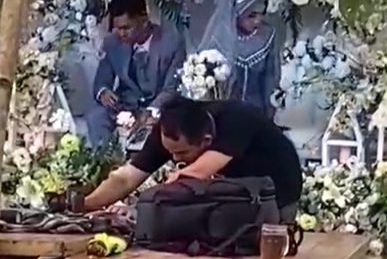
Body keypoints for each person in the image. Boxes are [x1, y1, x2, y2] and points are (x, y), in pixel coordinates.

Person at [83, 94, 302, 222]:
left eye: (183, 153)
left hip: (279, 192)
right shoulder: (170, 130)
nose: (175, 158)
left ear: (206, 141)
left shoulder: (237, 119)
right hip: (232, 193)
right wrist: (84, 206)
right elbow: (126, 178)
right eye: (170, 153)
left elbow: (195, 174)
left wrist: (141, 208)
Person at [86, 0, 186, 149]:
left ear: (144, 20)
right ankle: (104, 162)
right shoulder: (112, 42)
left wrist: (152, 110)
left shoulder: (172, 43)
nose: (121, 34)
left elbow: (171, 88)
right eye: (117, 28)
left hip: (159, 106)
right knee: (96, 116)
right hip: (125, 104)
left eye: (126, 28)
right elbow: (102, 79)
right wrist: (103, 91)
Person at [197, 0, 280, 118]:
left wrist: (269, 115)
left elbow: (271, 78)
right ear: (236, 13)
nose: (257, 21)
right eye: (251, 16)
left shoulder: (266, 35)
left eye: (261, 13)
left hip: (256, 114)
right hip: (224, 115)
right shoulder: (219, 39)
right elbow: (207, 87)